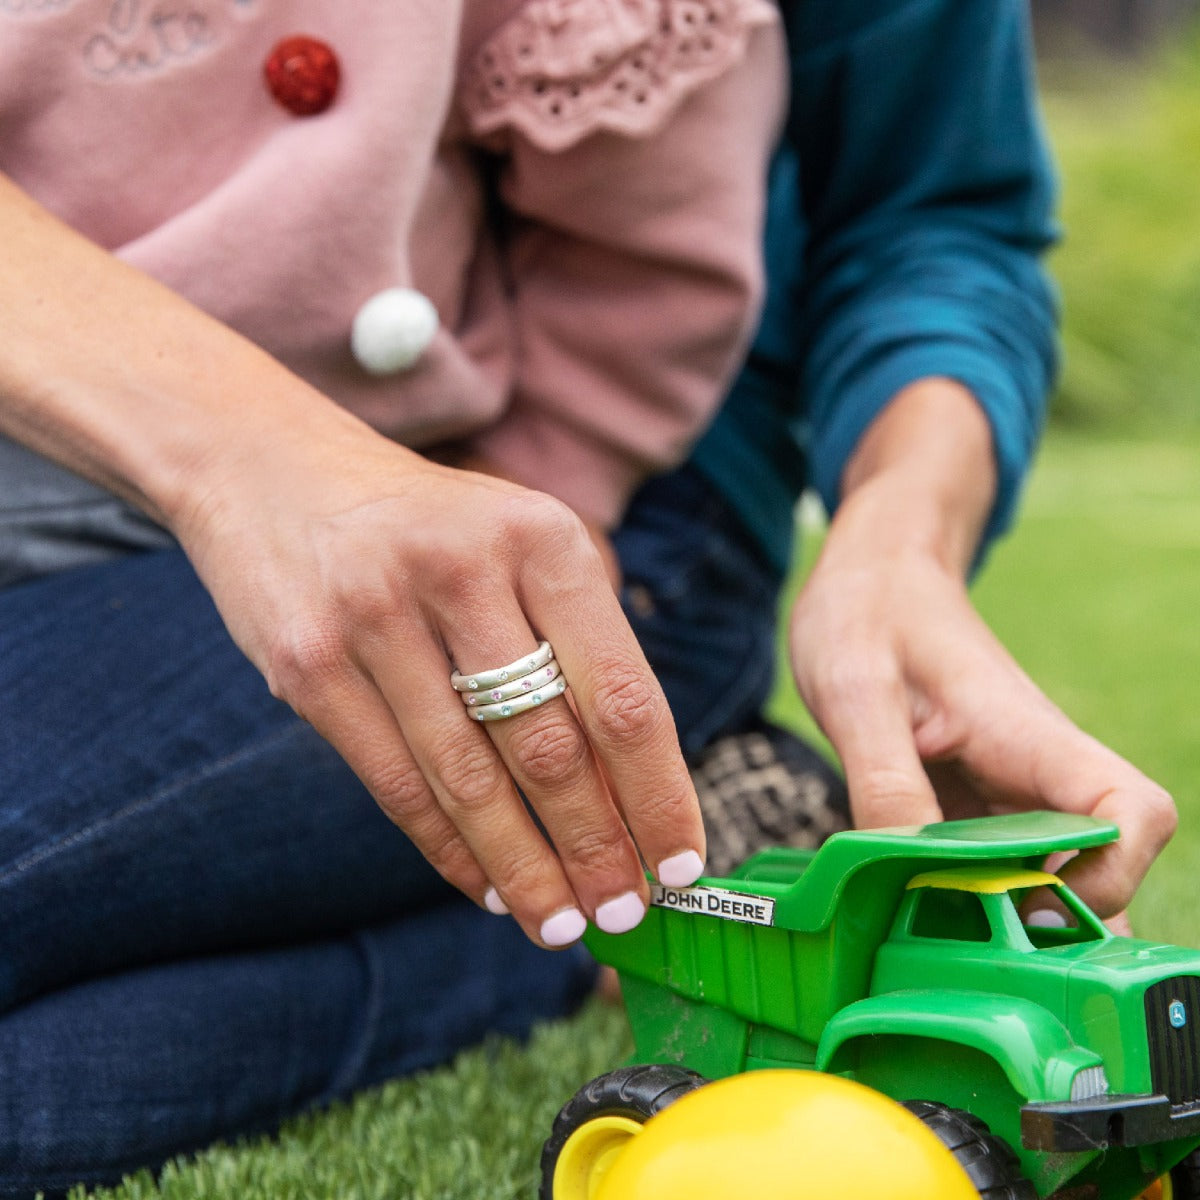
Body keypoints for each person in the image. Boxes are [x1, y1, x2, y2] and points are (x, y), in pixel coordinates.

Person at [0, 1, 1175, 1196]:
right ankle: (534, 948)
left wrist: (897, 535)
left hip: (552, 509)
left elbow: (926, 211)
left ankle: (565, 912)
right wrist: (250, 455)